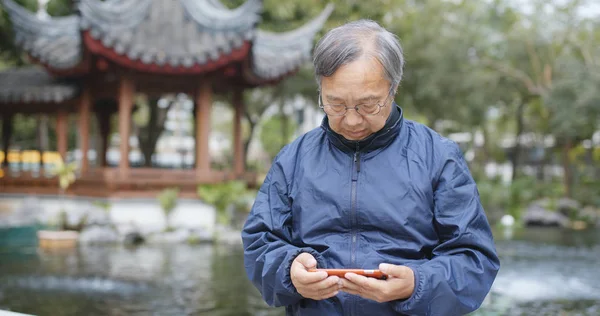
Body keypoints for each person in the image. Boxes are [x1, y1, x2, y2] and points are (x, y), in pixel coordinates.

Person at [242, 19, 500, 316]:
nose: (351, 121)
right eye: (335, 104)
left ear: (394, 88)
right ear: (321, 90)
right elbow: (260, 244)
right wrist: (289, 271)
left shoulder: (439, 157)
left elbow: (474, 260)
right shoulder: (293, 159)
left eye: (368, 105)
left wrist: (417, 284)